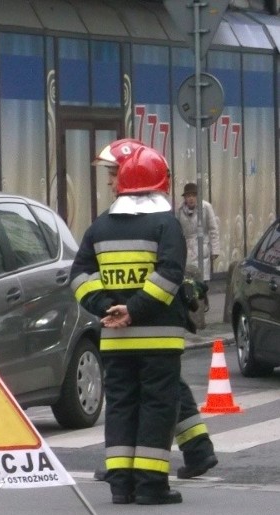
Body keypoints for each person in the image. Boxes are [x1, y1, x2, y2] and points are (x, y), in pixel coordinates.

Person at [91, 140, 218, 482]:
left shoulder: (151, 219)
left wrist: (127, 308)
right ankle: (197, 448)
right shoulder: (130, 220)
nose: (110, 182)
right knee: (165, 388)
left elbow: (167, 271)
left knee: (148, 395)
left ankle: (135, 464)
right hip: (152, 318)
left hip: (151, 317)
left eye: (114, 174)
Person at [71, 144, 188, 505]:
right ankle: (151, 486)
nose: (109, 183)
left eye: (112, 175)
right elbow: (170, 274)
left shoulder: (100, 226)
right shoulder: (166, 225)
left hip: (115, 340)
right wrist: (133, 310)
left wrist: (106, 307)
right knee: (156, 406)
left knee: (121, 405)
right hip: (159, 340)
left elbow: (79, 276)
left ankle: (121, 485)